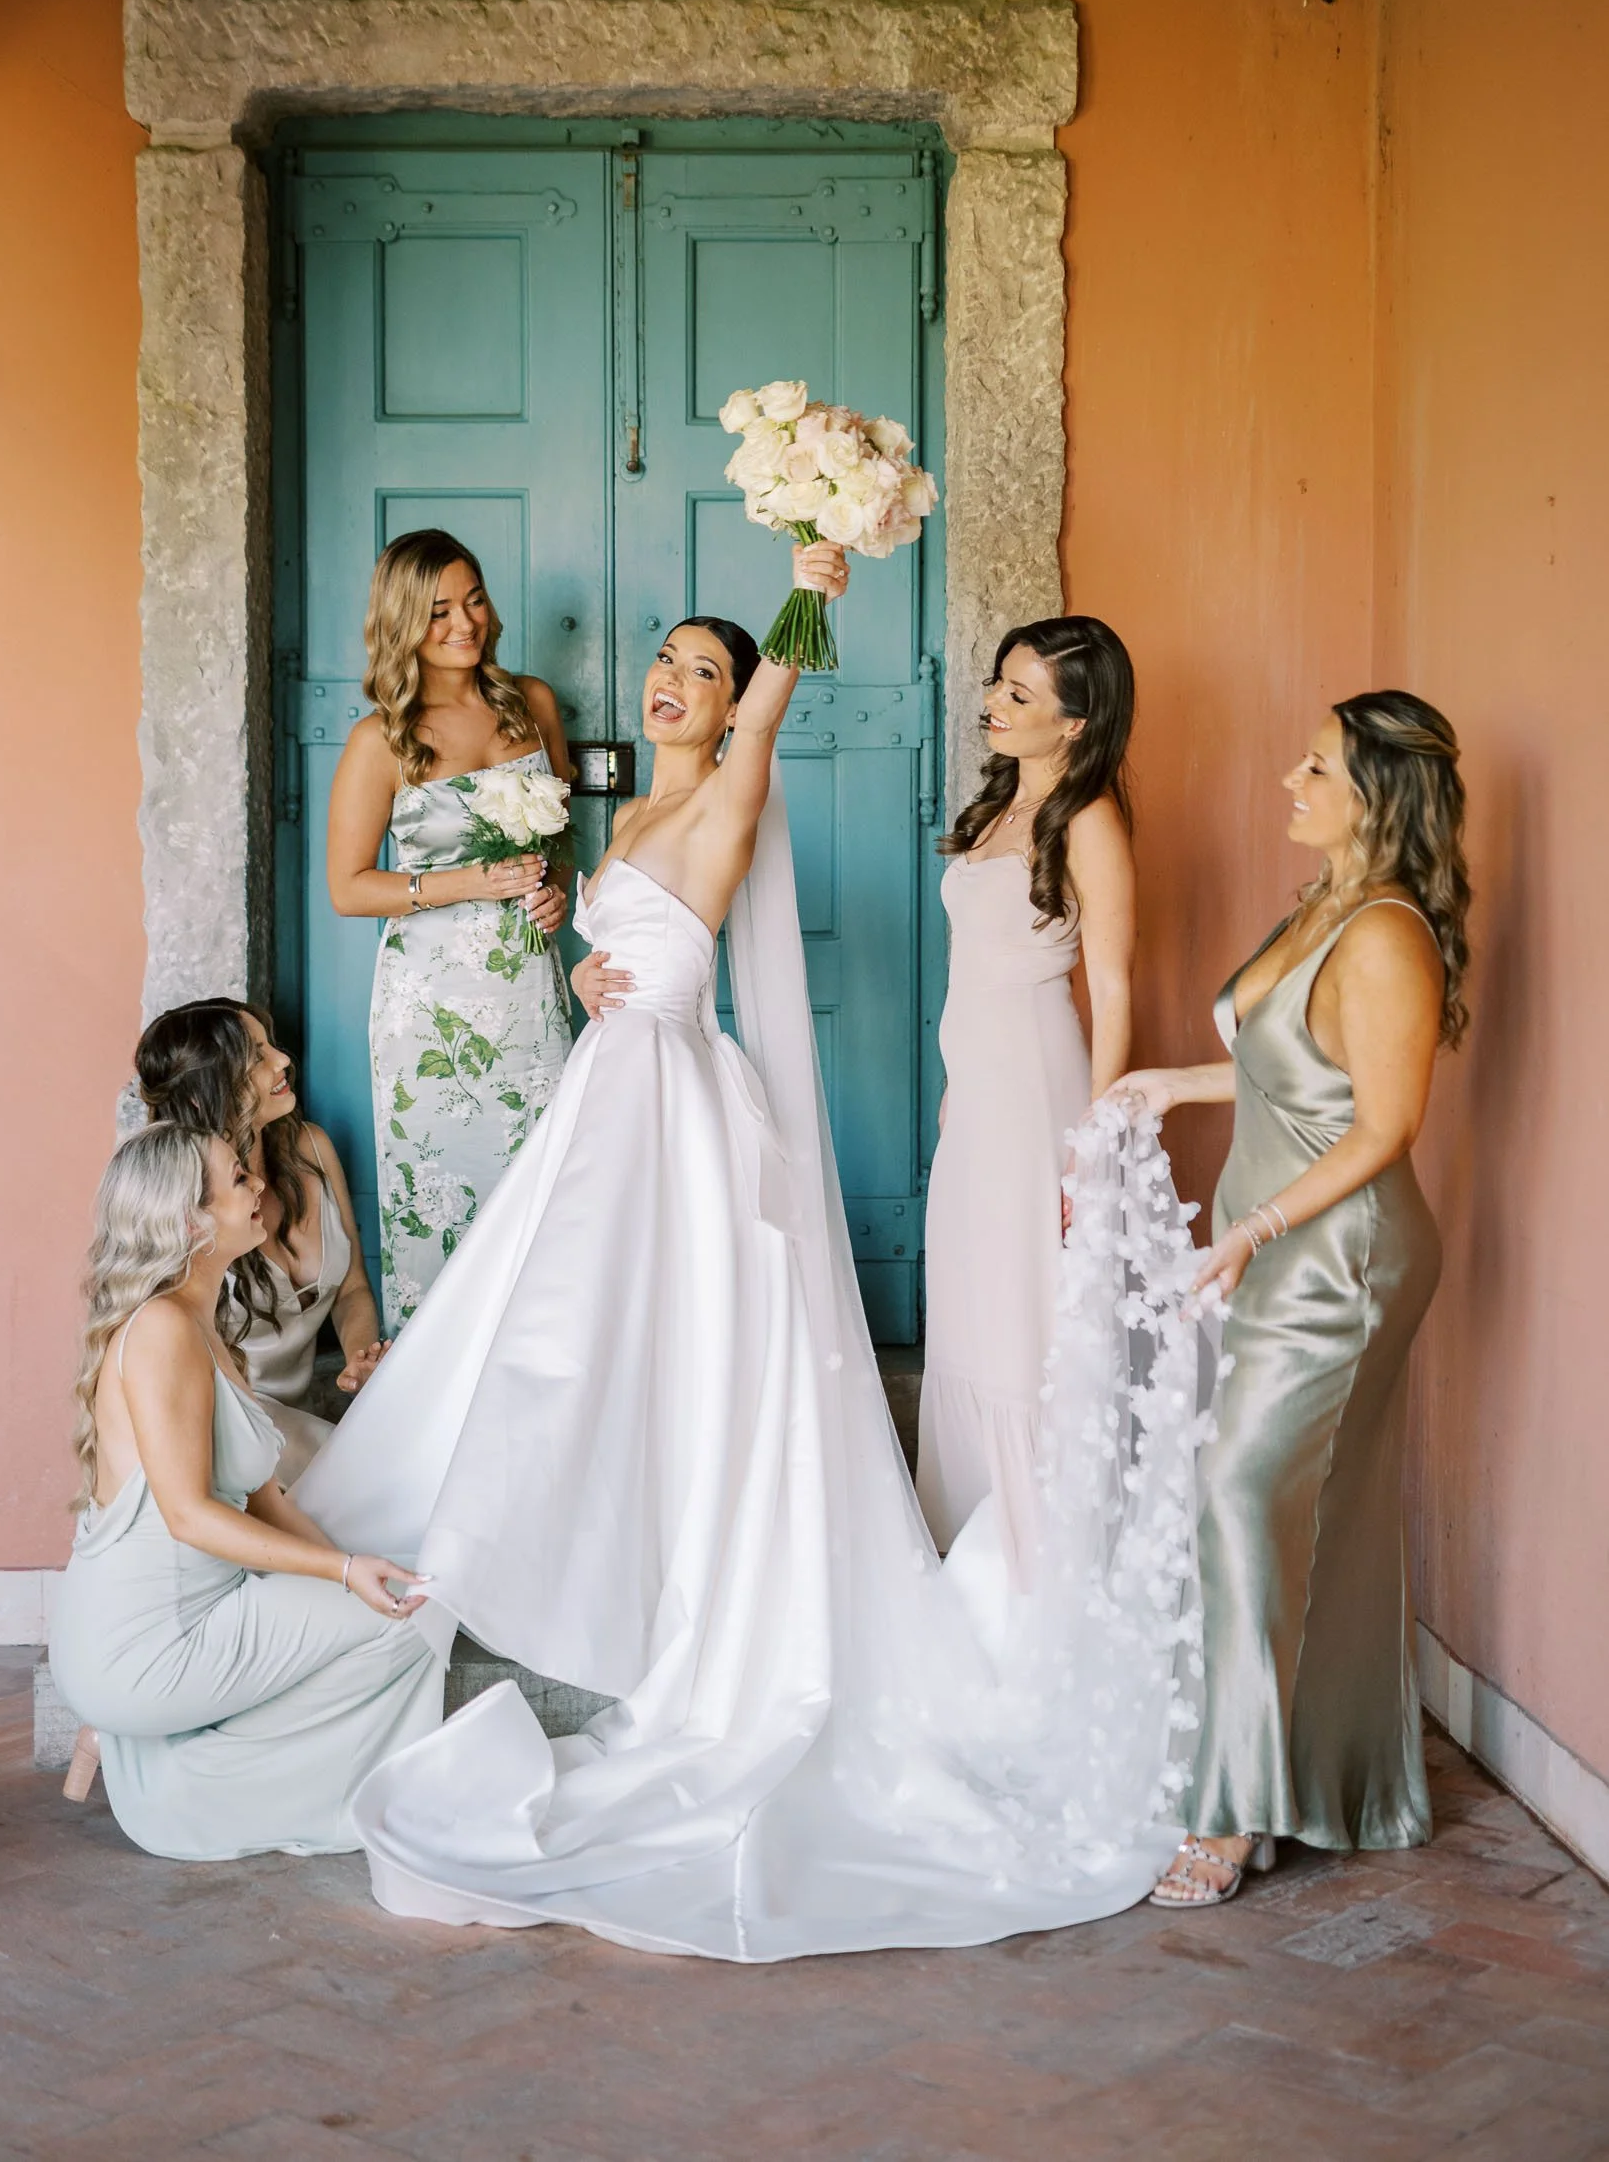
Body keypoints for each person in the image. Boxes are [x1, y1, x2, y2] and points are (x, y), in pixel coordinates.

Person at [294, 541, 1205, 1962]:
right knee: (551, 1337)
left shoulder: (732, 786)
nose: (673, 684)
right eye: (666, 665)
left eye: (704, 674)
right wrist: (581, 957)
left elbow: (778, 695)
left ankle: (664, 1594)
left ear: (733, 711)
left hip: (675, 1107)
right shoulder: (627, 821)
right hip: (609, 1090)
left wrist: (807, 580)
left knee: (659, 1351)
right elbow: (616, 945)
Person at [1112, 691, 1469, 1905]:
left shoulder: (1384, 934)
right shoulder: (1319, 904)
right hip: (1280, 1248)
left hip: (1343, 1259)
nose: (1286, 777)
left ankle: (1232, 1811)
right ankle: (1321, 1779)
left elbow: (1384, 1122)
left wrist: (1255, 1226)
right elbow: (1288, 1070)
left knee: (1238, 1491)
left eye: (1314, 765)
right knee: (1291, 1514)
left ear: (1376, 792)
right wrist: (1170, 1082)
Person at [48, 1123, 441, 1858]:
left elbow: (267, 1500)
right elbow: (190, 1517)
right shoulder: (161, 1328)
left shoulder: (205, 1325)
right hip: (145, 1642)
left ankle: (147, 1740)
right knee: (411, 1626)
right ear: (191, 1221)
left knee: (407, 1604)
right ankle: (170, 1780)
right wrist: (343, 1574)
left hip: (197, 1616)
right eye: (238, 1178)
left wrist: (354, 1573)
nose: (260, 1185)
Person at [919, 617, 1137, 1576]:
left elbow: (1116, 985)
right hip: (975, 1093)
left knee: (1023, 1308)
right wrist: (950, 1091)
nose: (992, 705)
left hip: (1036, 1086)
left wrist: (1094, 1142)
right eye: (997, 685)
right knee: (970, 1298)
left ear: (1077, 724)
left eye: (1019, 696)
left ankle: (1032, 1555)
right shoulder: (998, 806)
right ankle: (966, 1533)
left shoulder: (1088, 821)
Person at [327, 529, 574, 1335]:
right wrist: (468, 885)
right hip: (428, 1010)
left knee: (545, 1190)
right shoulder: (382, 740)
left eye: (473, 599)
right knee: (438, 1197)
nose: (464, 622)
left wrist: (556, 895)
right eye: (437, 611)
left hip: (529, 995)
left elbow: (557, 839)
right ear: (403, 622)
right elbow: (347, 887)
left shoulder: (530, 704)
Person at [135, 999, 385, 1482]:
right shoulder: (181, 1208)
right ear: (201, 1095)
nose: (282, 1060)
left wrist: (361, 1363)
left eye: (270, 1044)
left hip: (306, 1418)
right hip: (231, 1427)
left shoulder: (312, 1147)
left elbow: (352, 1287)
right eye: (256, 1056)